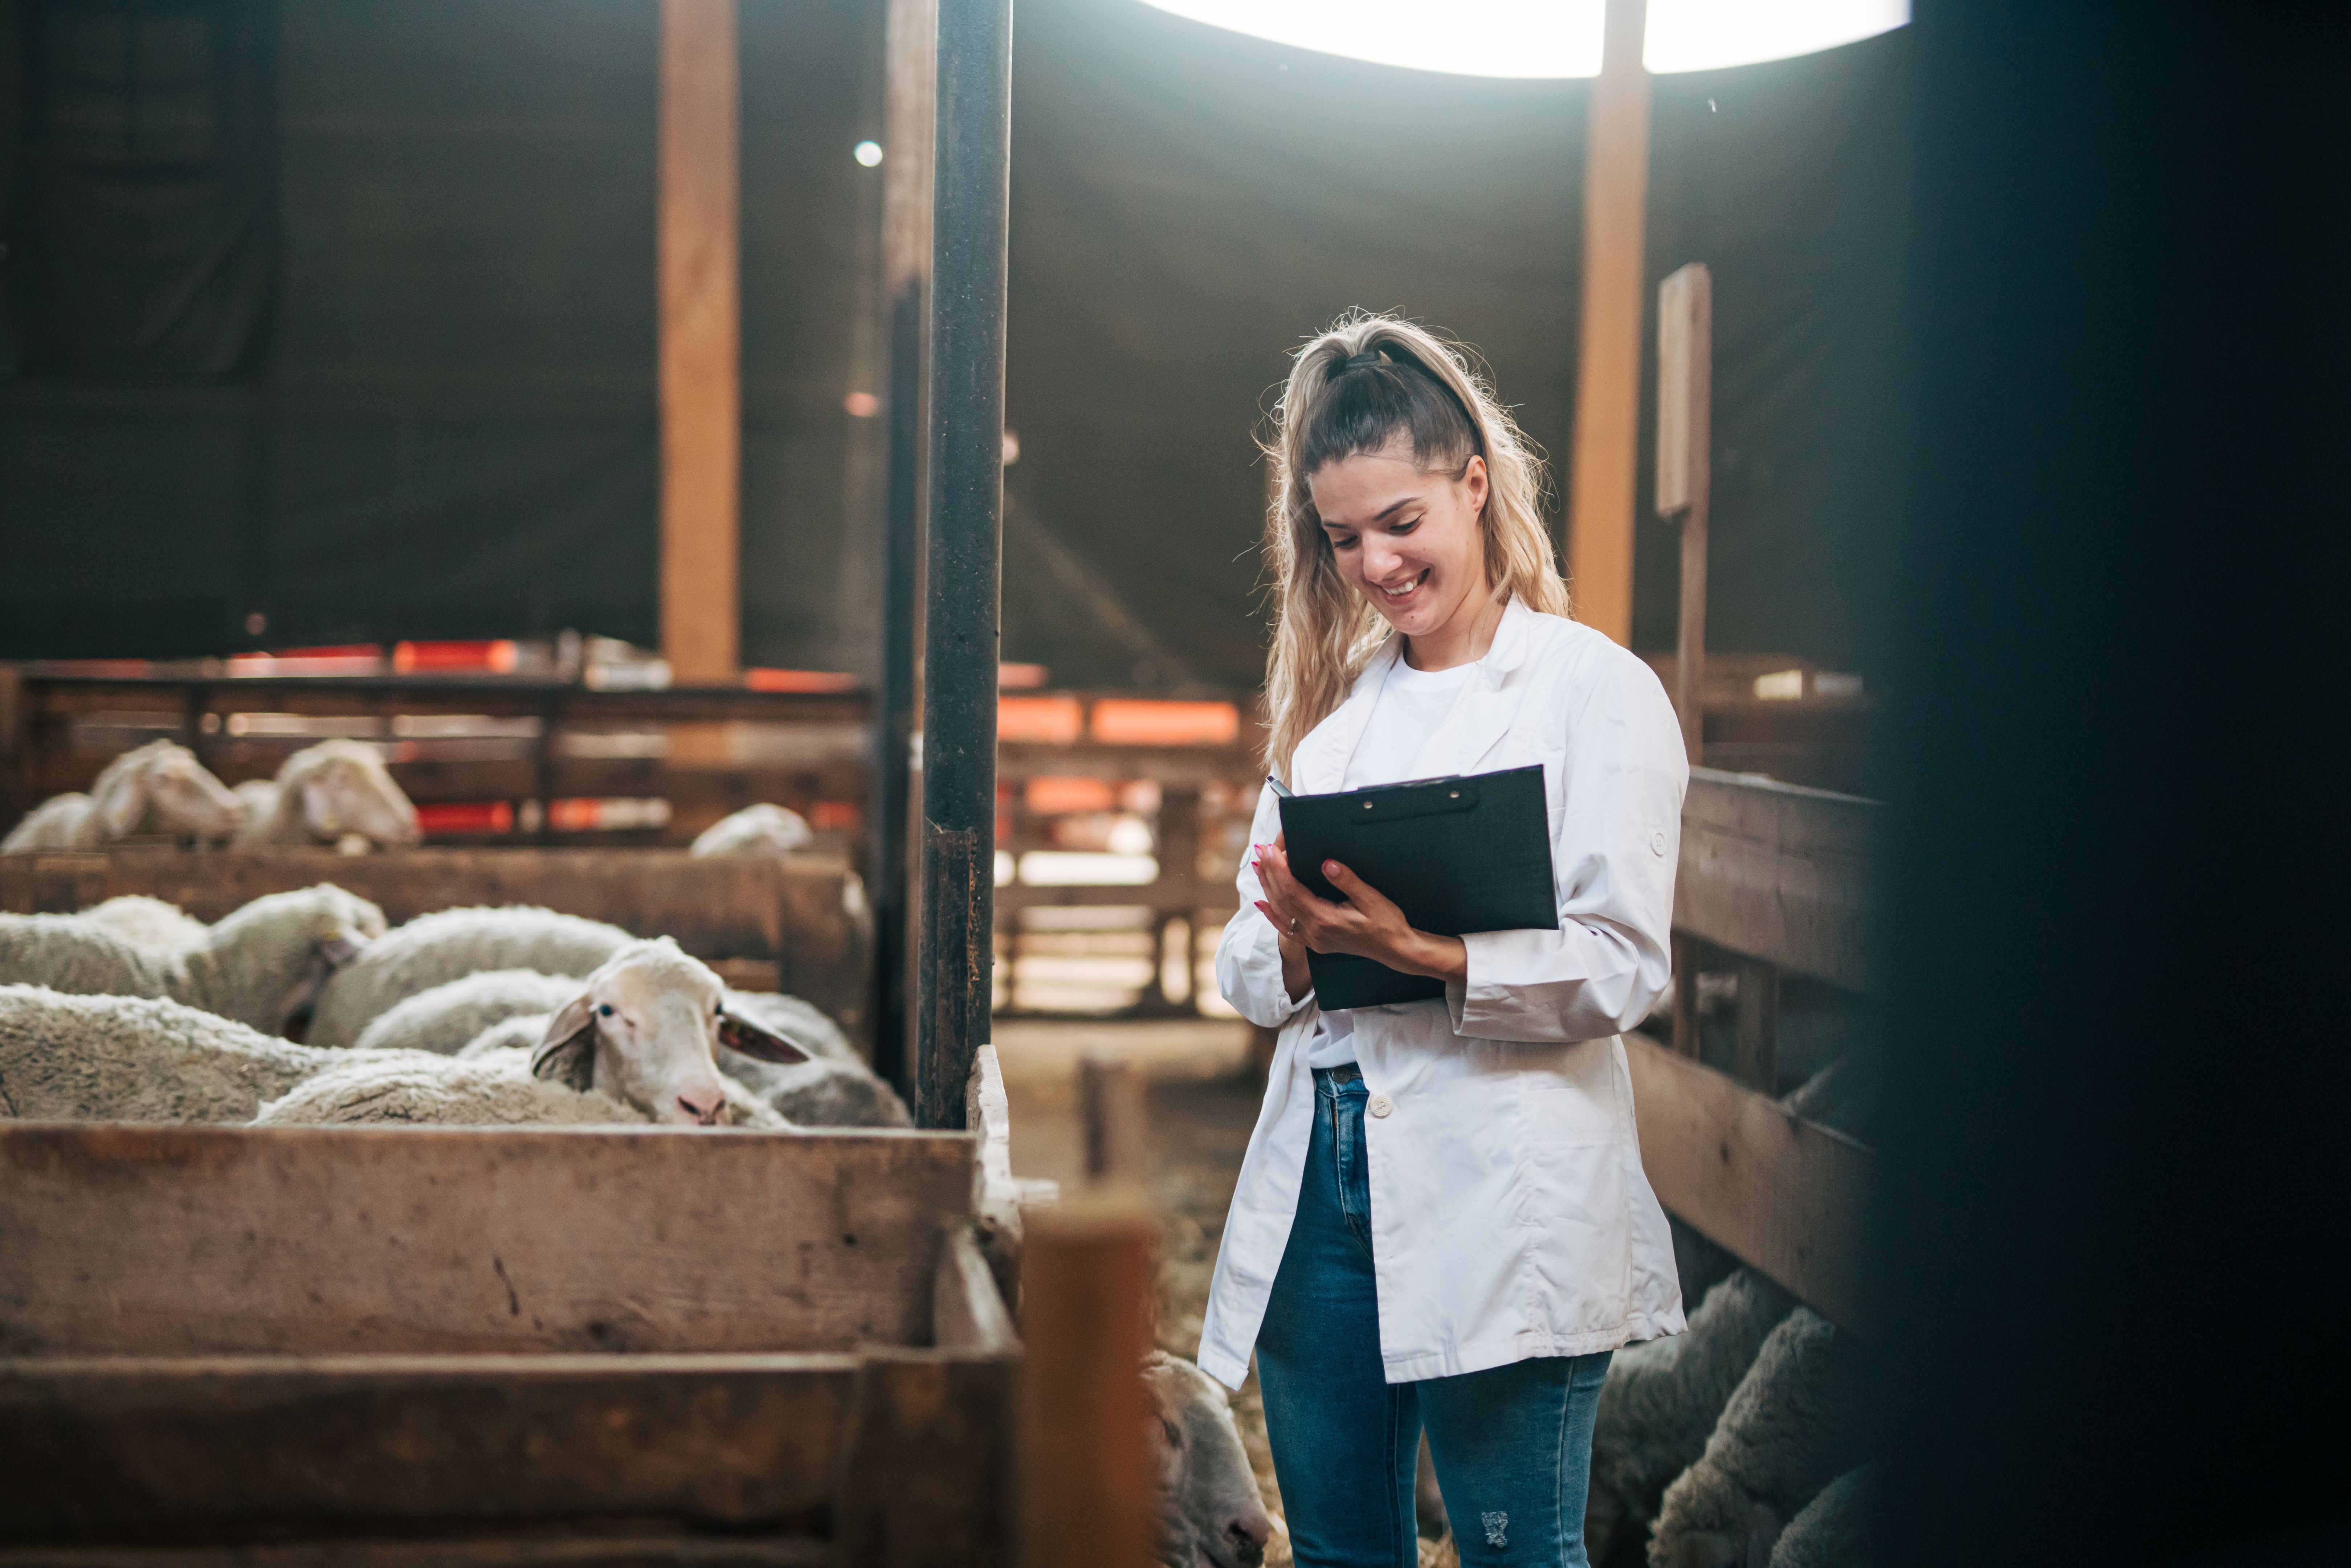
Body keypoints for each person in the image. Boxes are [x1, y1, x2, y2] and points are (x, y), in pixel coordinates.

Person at [1199, 314, 1688, 1568]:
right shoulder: (1332, 719)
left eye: (1401, 522)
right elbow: (1247, 974)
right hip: (1326, 1169)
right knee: (1342, 1553)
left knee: (1515, 1550)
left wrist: (1432, 956)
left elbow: (1625, 963)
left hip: (1504, 1175)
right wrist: (1303, 945)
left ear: (1475, 483)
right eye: (1343, 536)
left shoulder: (1592, 692)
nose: (1374, 563)